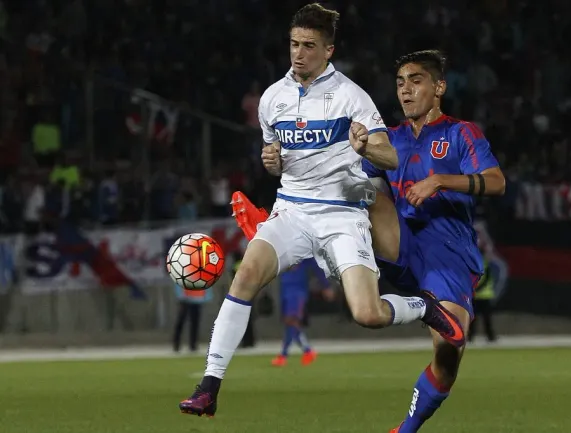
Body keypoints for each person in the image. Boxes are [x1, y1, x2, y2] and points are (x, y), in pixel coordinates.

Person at [179, 4, 465, 418]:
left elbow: (389, 158)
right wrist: (272, 162)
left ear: (328, 50)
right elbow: (278, 157)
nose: (298, 53)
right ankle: (209, 386)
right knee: (244, 277)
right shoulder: (272, 99)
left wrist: (367, 145)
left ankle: (424, 306)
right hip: (292, 210)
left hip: (342, 213)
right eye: (294, 44)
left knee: (367, 314)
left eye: (309, 46)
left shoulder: (351, 96)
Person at [360, 50, 505, 433]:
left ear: (439, 87)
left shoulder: (461, 133)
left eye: (416, 80)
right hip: (402, 243)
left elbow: (496, 181)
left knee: (448, 354)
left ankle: (405, 430)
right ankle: (282, 226)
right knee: (361, 192)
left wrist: (442, 180)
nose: (405, 91)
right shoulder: (388, 141)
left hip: (448, 253)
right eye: (400, 83)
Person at [272, 257, 333, 367]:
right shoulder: (283, 251)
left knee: (292, 321)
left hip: (297, 292)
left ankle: (286, 355)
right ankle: (305, 352)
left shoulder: (304, 253)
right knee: (289, 323)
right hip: (285, 291)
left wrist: (326, 286)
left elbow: (317, 268)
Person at [172, 283, 213, 353]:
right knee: (181, 322)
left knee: (194, 323)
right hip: (185, 300)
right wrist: (180, 296)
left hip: (197, 301)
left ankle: (193, 345)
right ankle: (176, 344)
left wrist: (206, 297)